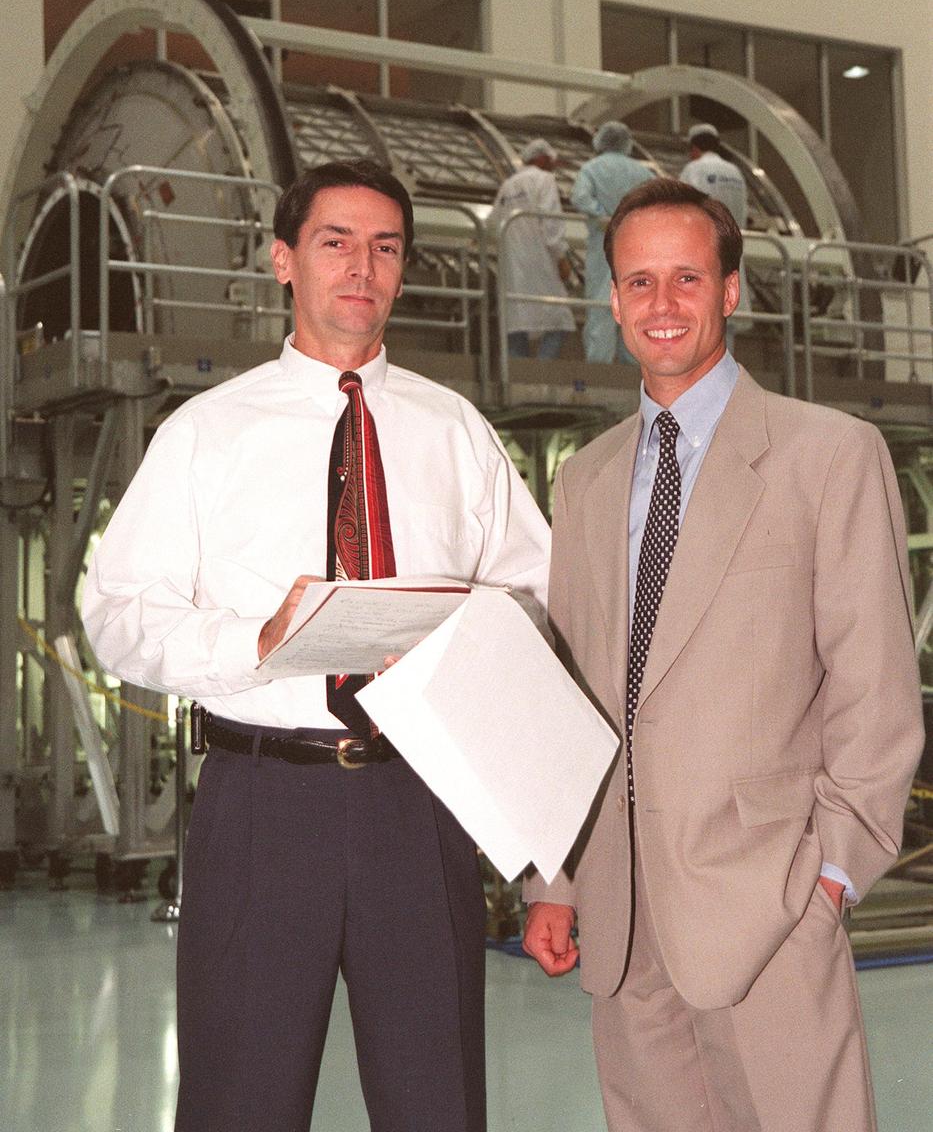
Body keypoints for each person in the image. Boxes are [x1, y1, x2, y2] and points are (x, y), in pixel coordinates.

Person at [82, 159, 550, 1132]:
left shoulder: (455, 431)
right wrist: (250, 639)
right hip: (263, 804)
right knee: (239, 1099)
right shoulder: (207, 432)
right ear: (284, 259)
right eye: (337, 241)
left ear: (405, 271)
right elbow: (115, 610)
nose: (362, 266)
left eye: (385, 247)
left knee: (438, 1099)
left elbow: (538, 602)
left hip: (420, 803)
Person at [522, 177, 924, 1132]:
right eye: (639, 283)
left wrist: (830, 880)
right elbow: (571, 696)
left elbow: (874, 688)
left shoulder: (827, 455)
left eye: (687, 279)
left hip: (769, 899)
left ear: (731, 290)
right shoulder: (584, 481)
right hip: (623, 917)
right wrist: (555, 881)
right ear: (612, 300)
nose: (662, 306)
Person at [571, 120, 654, 364]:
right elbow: (657, 203)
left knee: (601, 306)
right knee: (635, 307)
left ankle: (600, 369)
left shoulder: (592, 168)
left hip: (603, 245)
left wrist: (602, 216)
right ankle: (635, 369)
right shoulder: (642, 172)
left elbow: (579, 196)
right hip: (638, 248)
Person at [489, 138, 575, 359]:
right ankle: (540, 372)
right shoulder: (544, 179)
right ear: (542, 159)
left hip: (513, 268)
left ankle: (519, 375)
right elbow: (551, 221)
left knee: (517, 324)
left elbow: (492, 224)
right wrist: (561, 258)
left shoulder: (508, 185)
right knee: (559, 321)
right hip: (540, 263)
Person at [680, 121, 753, 337]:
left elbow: (682, 208)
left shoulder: (694, 169)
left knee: (705, 316)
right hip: (732, 245)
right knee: (726, 312)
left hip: (702, 247)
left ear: (694, 148)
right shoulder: (735, 172)